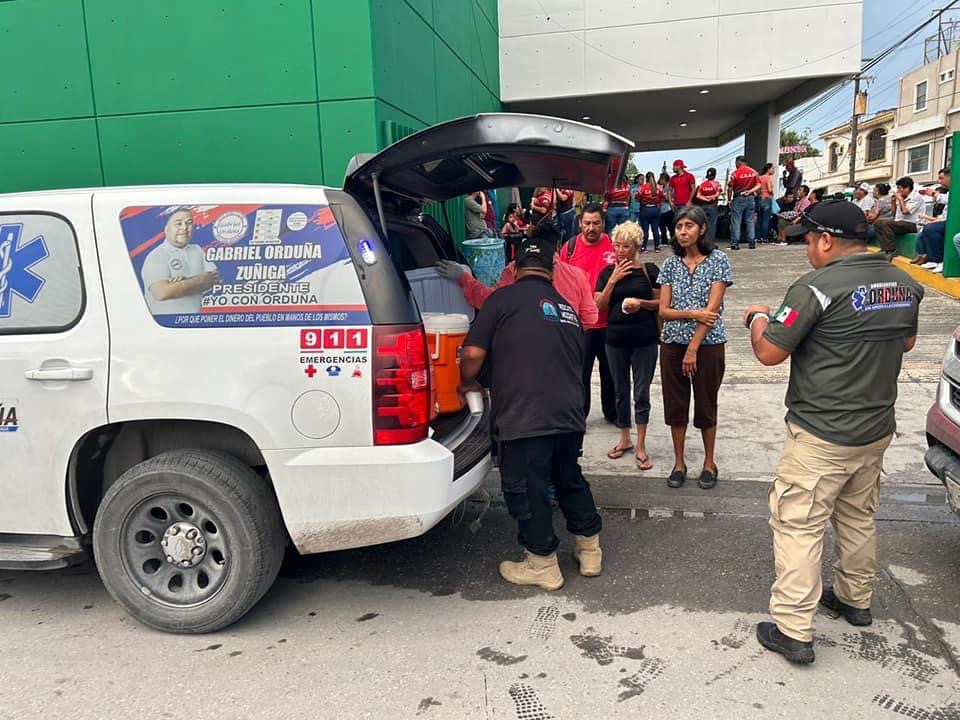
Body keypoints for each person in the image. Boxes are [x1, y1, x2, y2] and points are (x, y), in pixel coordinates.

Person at [744, 200, 923, 665]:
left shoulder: (815, 289)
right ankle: (853, 600)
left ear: (825, 240)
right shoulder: (904, 283)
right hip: (875, 430)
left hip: (822, 434)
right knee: (857, 517)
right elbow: (905, 341)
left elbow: (768, 353)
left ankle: (794, 629)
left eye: (807, 239)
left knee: (798, 525)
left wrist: (757, 317)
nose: (806, 248)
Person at [459, 225, 603, 591]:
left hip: (526, 415)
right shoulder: (567, 309)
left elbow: (474, 353)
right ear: (552, 270)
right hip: (569, 412)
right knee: (568, 477)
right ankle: (589, 550)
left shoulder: (501, 300)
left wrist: (467, 382)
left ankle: (541, 563)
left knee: (527, 487)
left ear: (515, 267)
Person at [658, 206, 733, 490]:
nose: (683, 231)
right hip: (671, 344)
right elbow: (664, 310)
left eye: (689, 225)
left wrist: (693, 347)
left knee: (706, 404)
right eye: (679, 227)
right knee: (675, 406)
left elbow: (711, 312)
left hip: (708, 346)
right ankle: (679, 462)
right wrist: (693, 313)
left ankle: (709, 463)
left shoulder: (719, 261)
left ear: (702, 229)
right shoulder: (670, 264)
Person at [594, 221, 661, 470]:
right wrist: (612, 280)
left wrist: (640, 303)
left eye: (626, 246)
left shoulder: (649, 270)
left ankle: (641, 444)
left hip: (644, 340)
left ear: (636, 246)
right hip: (615, 340)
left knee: (641, 393)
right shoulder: (605, 273)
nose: (621, 250)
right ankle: (625, 439)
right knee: (620, 390)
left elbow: (660, 304)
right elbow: (598, 305)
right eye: (618, 245)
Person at [436, 246, 599, 329]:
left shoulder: (514, 270)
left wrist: (464, 278)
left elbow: (491, 301)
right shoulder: (576, 275)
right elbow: (590, 319)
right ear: (557, 246)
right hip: (567, 359)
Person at [558, 202, 617, 422]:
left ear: (603, 223)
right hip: (580, 325)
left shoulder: (613, 246)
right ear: (580, 224)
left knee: (610, 373)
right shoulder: (569, 248)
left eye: (596, 223)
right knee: (579, 374)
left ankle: (612, 413)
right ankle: (579, 414)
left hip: (609, 322)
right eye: (587, 223)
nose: (591, 228)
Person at [142, 207, 220, 316]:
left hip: (194, 322)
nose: (184, 228)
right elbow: (161, 293)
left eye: (189, 223)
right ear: (166, 228)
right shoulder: (157, 256)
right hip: (165, 326)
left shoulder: (197, 249)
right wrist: (200, 280)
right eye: (178, 223)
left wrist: (182, 284)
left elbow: (214, 278)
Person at [874, 176, 924, 257]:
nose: (898, 191)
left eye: (900, 188)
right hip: (900, 223)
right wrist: (894, 201)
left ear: (907, 188)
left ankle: (891, 250)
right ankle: (885, 248)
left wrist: (900, 199)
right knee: (877, 223)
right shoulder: (901, 197)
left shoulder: (916, 197)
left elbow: (905, 212)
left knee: (884, 223)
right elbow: (894, 214)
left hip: (913, 224)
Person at [912, 168, 951, 272]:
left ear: (950, 177)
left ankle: (940, 260)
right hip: (946, 220)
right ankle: (931, 259)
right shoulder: (950, 191)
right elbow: (944, 214)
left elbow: (949, 200)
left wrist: (934, 194)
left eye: (941, 178)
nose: (939, 181)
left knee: (931, 229)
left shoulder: (955, 190)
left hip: (953, 222)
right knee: (924, 231)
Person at [727, 156, 761, 250]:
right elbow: (759, 184)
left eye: (735, 163)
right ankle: (751, 242)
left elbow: (730, 187)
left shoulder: (735, 174)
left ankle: (735, 243)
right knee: (750, 220)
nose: (735, 165)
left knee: (736, 221)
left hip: (738, 198)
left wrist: (729, 200)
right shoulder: (754, 172)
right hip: (750, 198)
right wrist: (750, 191)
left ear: (739, 162)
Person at [636, 171, 664, 253]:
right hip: (656, 209)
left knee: (645, 229)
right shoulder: (658, 187)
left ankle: (644, 248)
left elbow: (637, 198)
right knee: (655, 229)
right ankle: (657, 247)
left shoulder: (642, 187)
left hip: (645, 209)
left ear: (646, 178)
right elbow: (663, 197)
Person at [694, 168, 723, 243]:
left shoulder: (702, 184)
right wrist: (710, 198)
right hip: (712, 205)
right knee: (712, 225)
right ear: (714, 175)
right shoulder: (717, 184)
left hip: (703, 206)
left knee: (702, 224)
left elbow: (698, 195)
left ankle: (702, 241)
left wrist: (705, 198)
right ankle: (711, 242)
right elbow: (717, 194)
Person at [758, 163, 777, 244]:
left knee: (760, 219)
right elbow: (769, 189)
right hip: (767, 199)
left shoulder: (759, 177)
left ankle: (758, 237)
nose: (773, 170)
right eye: (772, 168)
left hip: (760, 199)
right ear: (768, 169)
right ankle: (764, 238)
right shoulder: (768, 178)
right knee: (766, 220)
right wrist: (772, 193)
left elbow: (757, 189)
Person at [658, 172, 675, 244]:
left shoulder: (669, 187)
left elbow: (670, 197)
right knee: (662, 226)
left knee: (670, 226)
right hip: (661, 209)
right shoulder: (661, 187)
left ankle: (673, 240)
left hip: (668, 208)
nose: (660, 180)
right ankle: (664, 240)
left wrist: (665, 198)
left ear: (664, 179)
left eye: (661, 179)